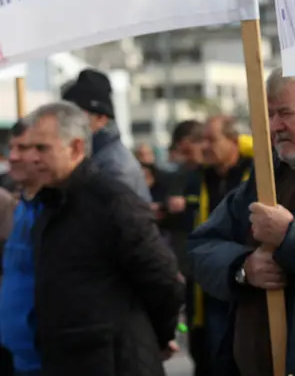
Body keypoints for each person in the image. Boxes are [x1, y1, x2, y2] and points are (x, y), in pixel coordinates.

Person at [188, 68, 295, 376]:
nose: (274, 126)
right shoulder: (267, 176)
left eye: (285, 113)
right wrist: (243, 267)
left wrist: (291, 235)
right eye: (270, 114)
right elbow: (200, 245)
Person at [26, 101, 184, 376]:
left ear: (75, 148)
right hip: (68, 358)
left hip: (115, 361)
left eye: (42, 148)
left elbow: (164, 280)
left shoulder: (113, 202)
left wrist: (155, 335)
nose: (33, 158)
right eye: (30, 149)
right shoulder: (50, 203)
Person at [181, 115, 254, 376]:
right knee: (210, 360)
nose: (205, 146)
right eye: (202, 140)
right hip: (209, 284)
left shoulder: (256, 172)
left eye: (212, 139)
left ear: (234, 141)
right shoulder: (199, 177)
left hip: (247, 281)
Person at [62, 69, 151, 201]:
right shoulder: (93, 156)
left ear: (101, 118)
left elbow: (120, 219)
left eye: (77, 114)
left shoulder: (115, 167)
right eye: (65, 114)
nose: (68, 121)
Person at [0, 119, 43, 376]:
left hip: (38, 355)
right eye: (11, 148)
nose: (13, 156)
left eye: (22, 148)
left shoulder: (58, 208)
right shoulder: (23, 206)